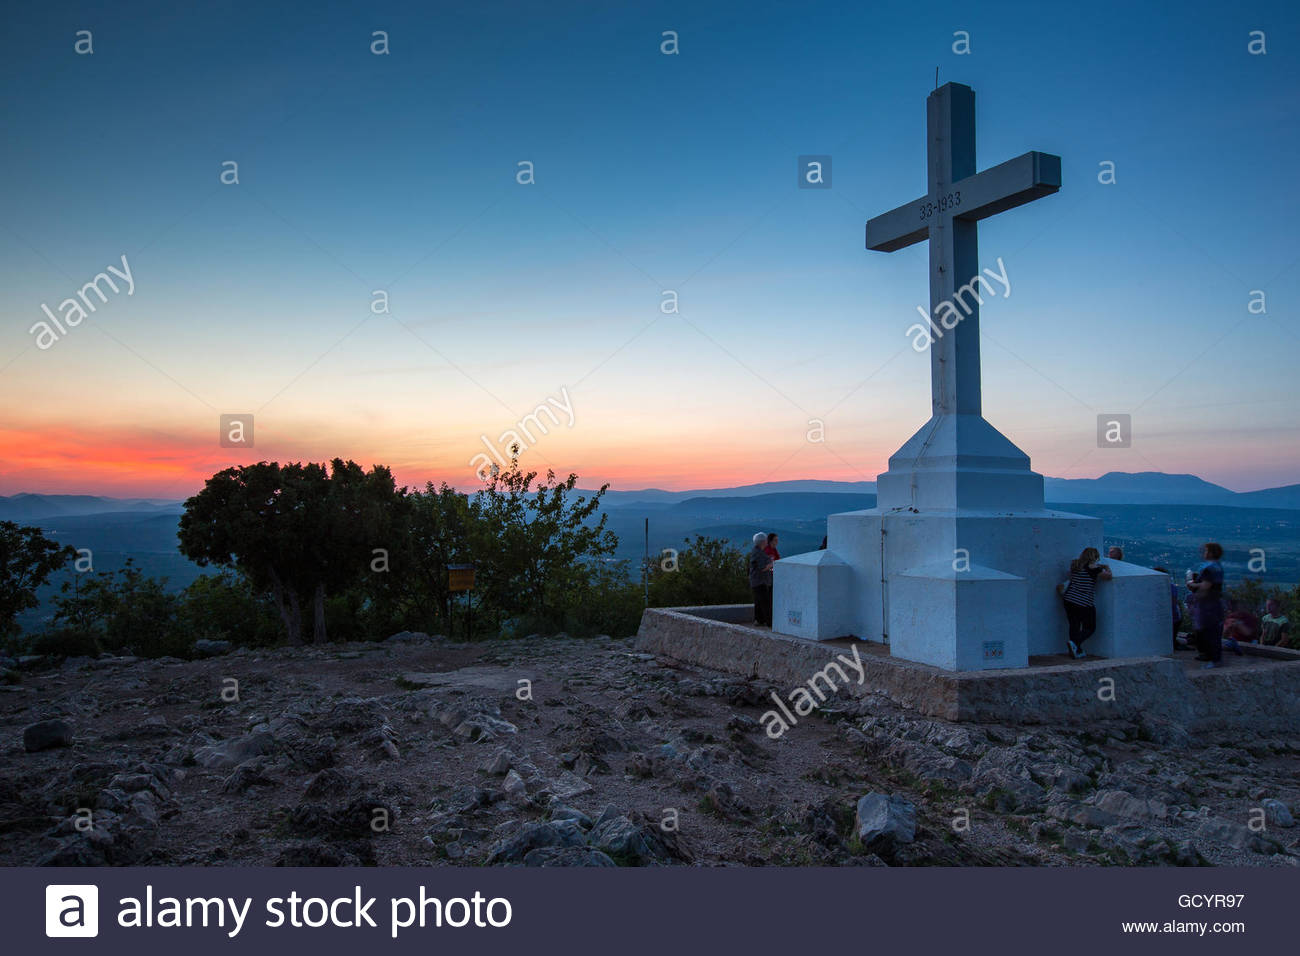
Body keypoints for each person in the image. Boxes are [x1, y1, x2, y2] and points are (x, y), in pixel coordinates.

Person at [1057, 547, 1112, 659]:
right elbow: (1108, 577)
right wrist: (1107, 567)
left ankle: (1076, 651)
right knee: (1090, 627)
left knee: (1074, 625)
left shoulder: (1075, 565)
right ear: (1094, 557)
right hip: (1083, 602)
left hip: (1069, 599)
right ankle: (1075, 643)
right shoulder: (1094, 568)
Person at [1186, 542, 1225, 668]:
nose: (1204, 553)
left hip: (1207, 604)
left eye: (1206, 551)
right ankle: (1212, 656)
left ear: (1211, 553)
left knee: (1207, 630)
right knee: (1212, 630)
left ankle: (1212, 658)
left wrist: (1193, 585)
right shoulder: (1218, 567)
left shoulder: (1209, 568)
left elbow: (1206, 586)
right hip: (1214, 602)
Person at [748, 532, 774, 627]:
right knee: (765, 602)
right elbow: (763, 567)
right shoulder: (759, 553)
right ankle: (770, 622)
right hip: (760, 581)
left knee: (759, 601)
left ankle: (759, 620)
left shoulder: (756, 551)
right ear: (763, 542)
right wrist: (772, 564)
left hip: (756, 581)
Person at [1154, 567, 1183, 651]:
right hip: (1173, 616)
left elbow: (1172, 603)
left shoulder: (1168, 587)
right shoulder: (1171, 587)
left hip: (1172, 616)